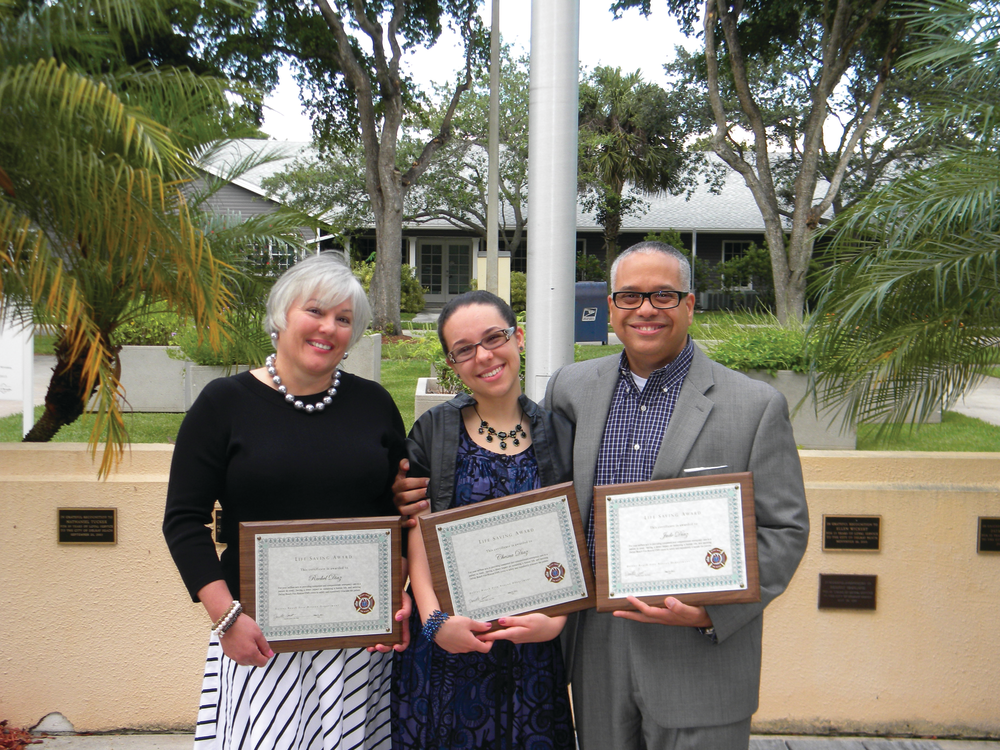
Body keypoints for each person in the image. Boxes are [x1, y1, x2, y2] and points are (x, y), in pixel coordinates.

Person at [542, 241, 810, 750]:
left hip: (699, 652)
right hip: (598, 646)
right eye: (630, 296)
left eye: (664, 295)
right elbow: (532, 487)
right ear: (612, 307)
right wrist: (426, 475)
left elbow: (785, 530)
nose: (646, 309)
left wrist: (714, 614)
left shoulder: (755, 406)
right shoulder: (570, 389)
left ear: (689, 305)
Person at [163, 252, 408, 750]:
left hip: (357, 636)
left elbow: (396, 513)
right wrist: (225, 617)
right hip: (259, 635)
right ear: (281, 316)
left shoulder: (375, 404)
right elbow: (184, 522)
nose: (328, 328)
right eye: (314, 311)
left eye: (343, 319)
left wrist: (399, 597)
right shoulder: (222, 404)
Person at [391, 290, 576, 750]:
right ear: (452, 364)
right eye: (464, 349)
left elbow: (572, 532)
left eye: (494, 338)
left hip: (533, 649)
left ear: (519, 338)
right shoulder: (433, 431)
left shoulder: (560, 432)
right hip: (450, 647)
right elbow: (418, 530)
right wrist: (436, 623)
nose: (484, 356)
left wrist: (556, 620)